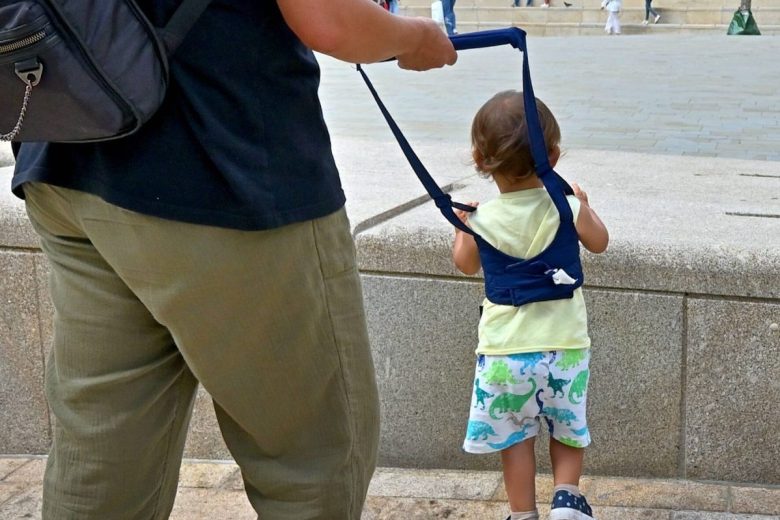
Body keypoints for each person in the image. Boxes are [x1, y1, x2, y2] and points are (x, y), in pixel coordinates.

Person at [10, 1, 456, 519]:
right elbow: (328, 21)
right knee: (311, 462)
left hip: (65, 155)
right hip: (222, 168)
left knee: (102, 459)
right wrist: (415, 37)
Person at [452, 91, 609, 520]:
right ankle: (567, 499)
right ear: (553, 156)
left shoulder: (482, 218)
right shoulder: (567, 208)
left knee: (516, 439)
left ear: (480, 160)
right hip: (565, 347)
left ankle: (523, 514)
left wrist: (463, 228)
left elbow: (465, 264)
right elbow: (600, 242)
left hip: (505, 352)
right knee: (568, 429)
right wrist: (584, 206)